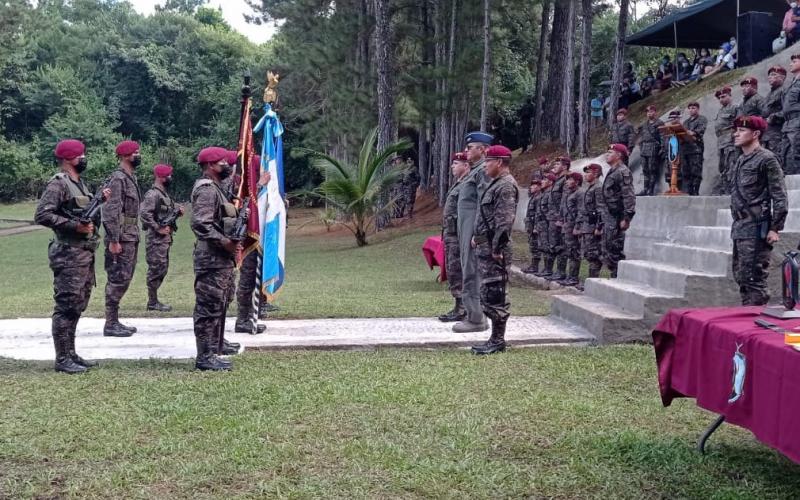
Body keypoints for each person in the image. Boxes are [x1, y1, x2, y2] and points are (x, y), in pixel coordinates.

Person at [34, 140, 110, 373]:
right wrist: (73, 226)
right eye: (80, 155)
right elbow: (43, 215)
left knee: (77, 305)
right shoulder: (59, 184)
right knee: (66, 305)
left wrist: (100, 201)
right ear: (68, 158)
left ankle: (71, 353)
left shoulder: (80, 184)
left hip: (83, 253)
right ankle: (62, 358)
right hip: (68, 253)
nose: (84, 159)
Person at [191, 146, 244, 371]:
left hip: (221, 258)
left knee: (219, 302)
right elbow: (200, 224)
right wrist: (225, 242)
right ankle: (204, 357)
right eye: (223, 162)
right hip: (211, 258)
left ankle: (214, 346)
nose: (228, 166)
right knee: (208, 307)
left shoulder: (217, 189)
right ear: (211, 165)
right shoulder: (207, 189)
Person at [729, 116, 788, 306]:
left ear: (755, 134)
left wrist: (775, 227)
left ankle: (755, 321)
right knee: (742, 277)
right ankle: (747, 318)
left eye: (741, 130)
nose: (736, 134)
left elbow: (779, 195)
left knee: (755, 279)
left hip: (756, 227)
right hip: (740, 227)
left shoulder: (767, 159)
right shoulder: (740, 160)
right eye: (735, 130)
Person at [470, 145, 518, 355]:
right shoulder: (496, 184)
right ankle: (495, 338)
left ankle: (498, 340)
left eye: (488, 161)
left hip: (494, 250)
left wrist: (497, 248)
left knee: (495, 294)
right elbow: (488, 218)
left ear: (499, 162)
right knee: (488, 292)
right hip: (486, 246)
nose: (485, 166)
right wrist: (477, 237)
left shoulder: (506, 186)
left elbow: (504, 222)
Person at [102, 140, 142, 337]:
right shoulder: (118, 179)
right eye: (135, 153)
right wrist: (113, 239)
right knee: (118, 278)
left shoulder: (129, 178)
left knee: (124, 278)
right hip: (121, 238)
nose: (138, 156)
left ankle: (114, 321)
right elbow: (111, 210)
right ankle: (110, 323)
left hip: (130, 235)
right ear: (125, 156)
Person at [453, 131, 492, 334]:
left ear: (483, 150)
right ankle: (474, 315)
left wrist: (477, 233)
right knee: (468, 271)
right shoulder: (474, 171)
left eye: (470, 147)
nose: (466, 150)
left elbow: (483, 205)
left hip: (472, 232)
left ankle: (476, 318)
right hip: (465, 230)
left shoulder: (482, 171)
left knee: (471, 273)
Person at [235, 156, 273, 334]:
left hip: (259, 236)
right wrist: (259, 185)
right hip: (248, 238)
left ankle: (252, 313)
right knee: (247, 279)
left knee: (255, 278)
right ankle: (242, 319)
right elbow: (245, 204)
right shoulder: (241, 184)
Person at [139, 163, 183, 312]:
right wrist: (158, 228)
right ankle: (152, 302)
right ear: (160, 177)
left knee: (162, 269)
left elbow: (164, 212)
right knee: (156, 269)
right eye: (168, 175)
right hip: (155, 239)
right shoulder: (153, 194)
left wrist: (177, 212)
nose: (170, 178)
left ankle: (154, 300)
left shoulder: (163, 194)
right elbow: (145, 214)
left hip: (164, 240)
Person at [438, 153, 470, 322]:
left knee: (457, 270)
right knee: (453, 270)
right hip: (451, 234)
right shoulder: (459, 184)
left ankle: (462, 308)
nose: (452, 166)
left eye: (456, 163)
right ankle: (459, 306)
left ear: (466, 166)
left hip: (458, 235)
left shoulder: (467, 185)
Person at [597, 144, 636, 278]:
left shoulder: (622, 171)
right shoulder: (612, 171)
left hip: (617, 217)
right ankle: (614, 275)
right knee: (607, 248)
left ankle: (618, 277)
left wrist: (627, 218)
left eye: (610, 152)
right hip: (608, 216)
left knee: (615, 248)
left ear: (619, 155)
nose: (607, 154)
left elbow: (628, 195)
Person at [576, 163, 603, 290]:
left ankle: (592, 284)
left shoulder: (598, 188)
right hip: (587, 226)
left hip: (593, 227)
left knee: (594, 256)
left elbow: (601, 209)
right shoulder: (589, 188)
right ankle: (590, 282)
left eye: (588, 172)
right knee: (588, 254)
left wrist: (599, 227)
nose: (586, 175)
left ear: (596, 173)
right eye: (585, 172)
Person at [545, 157, 570, 282]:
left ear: (565, 167)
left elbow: (565, 201)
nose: (554, 165)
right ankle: (553, 271)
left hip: (559, 218)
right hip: (553, 217)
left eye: (558, 163)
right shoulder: (557, 180)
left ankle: (561, 272)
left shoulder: (565, 180)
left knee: (561, 245)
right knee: (554, 244)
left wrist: (561, 218)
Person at [558, 172, 584, 288]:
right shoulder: (569, 193)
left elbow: (581, 211)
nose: (567, 182)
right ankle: (570, 276)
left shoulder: (580, 193)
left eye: (570, 180)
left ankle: (573, 277)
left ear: (577, 182)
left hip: (573, 226)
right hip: (567, 226)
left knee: (574, 252)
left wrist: (577, 227)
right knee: (569, 251)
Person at [713, 86, 738, 196]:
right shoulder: (720, 111)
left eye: (723, 96)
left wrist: (733, 136)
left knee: (731, 167)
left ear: (730, 96)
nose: (721, 99)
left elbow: (738, 123)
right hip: (721, 142)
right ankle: (727, 191)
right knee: (722, 168)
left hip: (730, 142)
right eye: (719, 98)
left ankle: (734, 191)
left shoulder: (735, 108)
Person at [637, 105, 665, 196]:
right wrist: (640, 146)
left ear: (655, 112)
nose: (649, 113)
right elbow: (641, 136)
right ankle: (645, 189)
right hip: (644, 147)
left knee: (652, 169)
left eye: (651, 111)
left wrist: (662, 147)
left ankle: (651, 189)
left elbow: (662, 136)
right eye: (648, 112)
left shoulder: (659, 123)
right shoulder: (644, 125)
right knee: (645, 169)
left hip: (653, 147)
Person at [681, 102, 708, 195]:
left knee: (696, 170)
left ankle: (696, 190)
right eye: (690, 108)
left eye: (693, 108)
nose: (691, 110)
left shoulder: (702, 119)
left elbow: (701, 130)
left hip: (696, 148)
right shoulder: (685, 122)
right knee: (686, 171)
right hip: (685, 149)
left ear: (698, 109)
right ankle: (689, 190)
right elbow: (682, 133)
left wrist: (692, 132)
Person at [782, 53, 800, 175]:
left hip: (798, 122)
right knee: (786, 153)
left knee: (797, 152)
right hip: (788, 123)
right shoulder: (792, 83)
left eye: (794, 61)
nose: (791, 64)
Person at [764, 66, 787, 161]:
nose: (770, 77)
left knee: (777, 161)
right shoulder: (769, 94)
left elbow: (787, 110)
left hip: (778, 133)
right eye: (769, 75)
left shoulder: (784, 91)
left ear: (783, 77)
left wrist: (774, 116)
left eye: (774, 75)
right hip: (767, 134)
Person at [534, 174, 554, 277]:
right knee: (542, 246)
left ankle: (548, 269)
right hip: (542, 223)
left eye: (545, 179)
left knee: (547, 246)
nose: (542, 181)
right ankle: (546, 268)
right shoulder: (544, 194)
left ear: (550, 182)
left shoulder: (550, 194)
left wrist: (548, 222)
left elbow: (551, 210)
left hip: (547, 223)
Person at [523, 178, 543, 274]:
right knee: (532, 245)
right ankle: (533, 265)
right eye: (532, 185)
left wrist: (536, 227)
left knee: (535, 246)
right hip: (530, 225)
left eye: (535, 185)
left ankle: (535, 267)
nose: (532, 187)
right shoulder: (533, 197)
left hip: (534, 226)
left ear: (539, 187)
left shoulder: (539, 198)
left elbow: (538, 214)